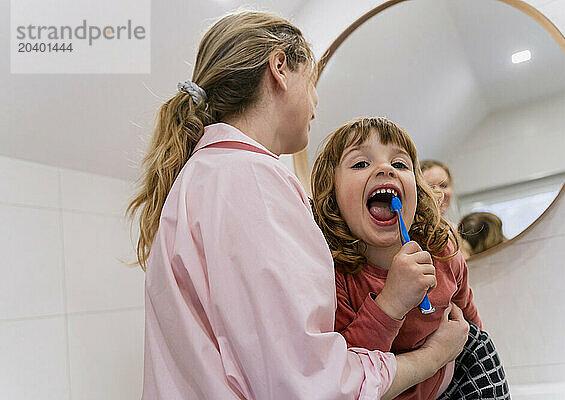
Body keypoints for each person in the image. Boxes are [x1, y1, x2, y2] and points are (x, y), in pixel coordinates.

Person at [126, 11, 469, 400]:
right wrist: (436, 355)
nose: (316, 105)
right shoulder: (251, 181)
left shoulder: (202, 177)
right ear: (280, 68)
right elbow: (309, 386)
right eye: (313, 83)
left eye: (399, 163)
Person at [311, 117, 510, 399]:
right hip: (386, 391)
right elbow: (349, 372)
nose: (385, 168)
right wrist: (392, 301)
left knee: (478, 341)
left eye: (400, 164)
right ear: (332, 196)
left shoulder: (442, 250)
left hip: (455, 378)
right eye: (360, 163)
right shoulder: (335, 274)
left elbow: (467, 319)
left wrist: (465, 337)